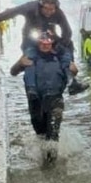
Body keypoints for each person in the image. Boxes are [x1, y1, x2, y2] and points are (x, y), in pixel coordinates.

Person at [0, 0, 87, 94]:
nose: (49, 12)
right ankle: (31, 88)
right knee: (30, 57)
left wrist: (62, 46)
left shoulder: (58, 13)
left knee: (66, 51)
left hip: (50, 37)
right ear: (40, 6)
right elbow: (14, 11)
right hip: (31, 38)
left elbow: (67, 31)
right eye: (46, 9)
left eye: (52, 9)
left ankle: (72, 81)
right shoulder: (30, 7)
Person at [11, 29, 72, 163]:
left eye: (48, 44)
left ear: (52, 44)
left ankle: (50, 164)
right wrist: (19, 64)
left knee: (53, 133)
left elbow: (71, 72)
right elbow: (13, 72)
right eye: (42, 44)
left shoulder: (60, 58)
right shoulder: (30, 57)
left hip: (55, 99)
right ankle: (43, 157)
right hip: (36, 101)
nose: (45, 46)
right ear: (38, 44)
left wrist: (74, 71)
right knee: (40, 132)